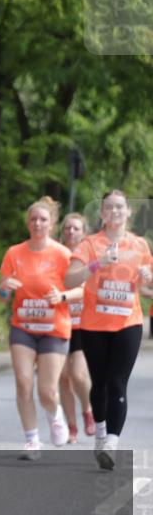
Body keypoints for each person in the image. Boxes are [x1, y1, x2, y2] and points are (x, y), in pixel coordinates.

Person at [64, 190, 153, 470]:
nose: (115, 212)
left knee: (117, 383)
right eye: (109, 207)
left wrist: (149, 279)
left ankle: (112, 442)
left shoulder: (140, 246)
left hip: (128, 324)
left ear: (128, 213)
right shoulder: (90, 244)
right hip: (93, 325)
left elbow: (148, 290)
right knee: (99, 384)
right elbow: (69, 279)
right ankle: (100, 433)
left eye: (120, 207)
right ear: (102, 213)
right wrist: (97, 264)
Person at [0, 197, 73, 460]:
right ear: (27, 223)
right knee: (23, 383)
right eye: (33, 219)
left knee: (47, 390)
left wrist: (61, 297)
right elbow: (1, 295)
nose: (38, 223)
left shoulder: (63, 255)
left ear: (51, 224)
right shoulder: (14, 253)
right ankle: (32, 441)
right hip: (23, 327)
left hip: (54, 327)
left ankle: (56, 415)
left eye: (43, 219)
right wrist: (5, 288)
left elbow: (83, 290)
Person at [58, 212, 94, 443]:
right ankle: (71, 426)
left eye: (76, 228)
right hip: (58, 322)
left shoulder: (90, 257)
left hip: (83, 323)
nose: (71, 232)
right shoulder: (56, 255)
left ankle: (87, 410)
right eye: (68, 228)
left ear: (84, 232)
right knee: (62, 377)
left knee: (78, 374)